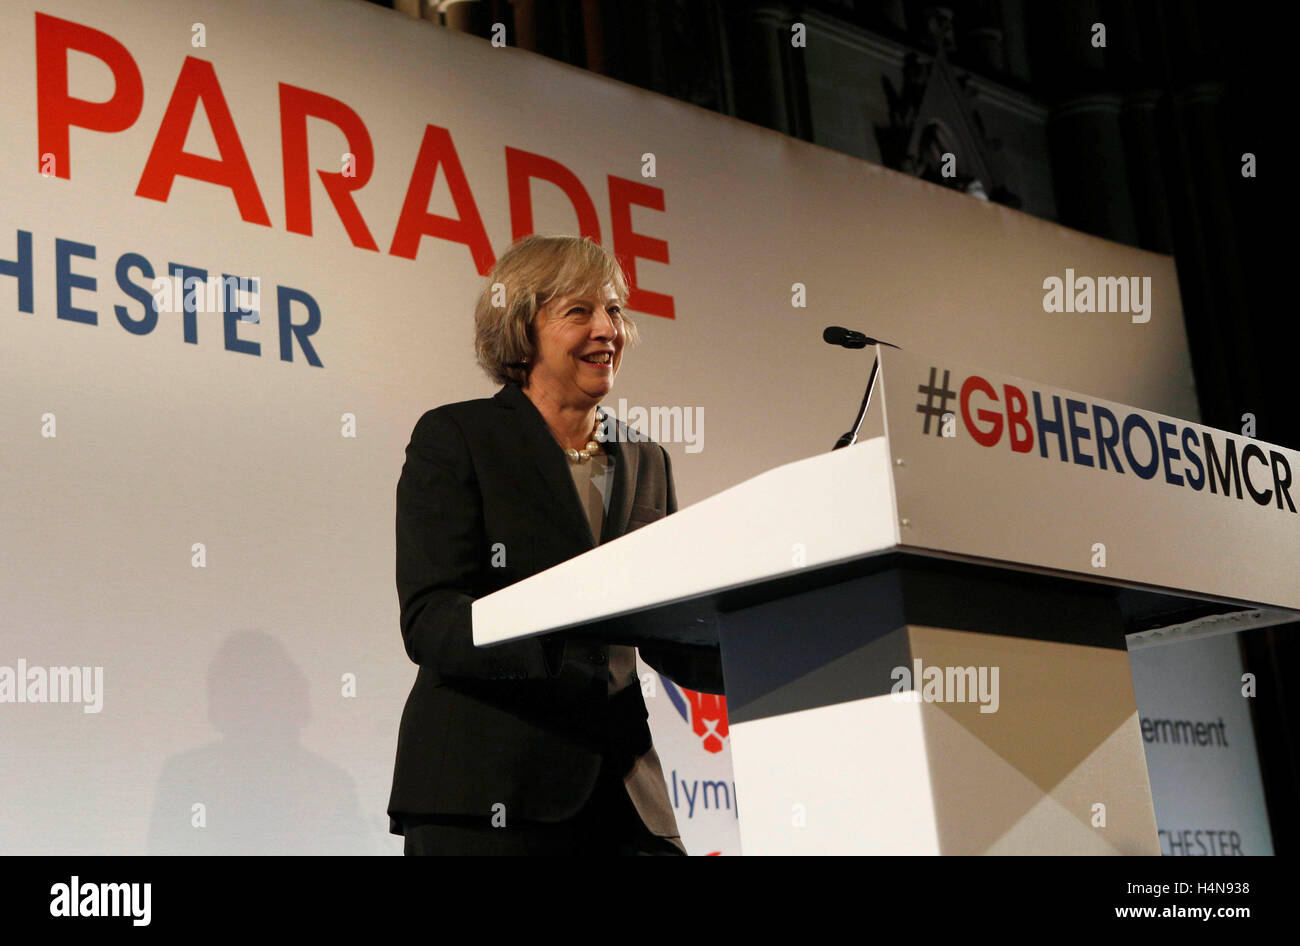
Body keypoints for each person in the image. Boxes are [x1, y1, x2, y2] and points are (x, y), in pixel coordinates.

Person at [387, 234, 725, 855]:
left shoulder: (647, 459)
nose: (608, 329)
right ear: (521, 329)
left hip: (626, 794)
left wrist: (769, 645)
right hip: (489, 791)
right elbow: (432, 621)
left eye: (615, 310)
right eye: (579, 311)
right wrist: (559, 640)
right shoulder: (458, 436)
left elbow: (666, 634)